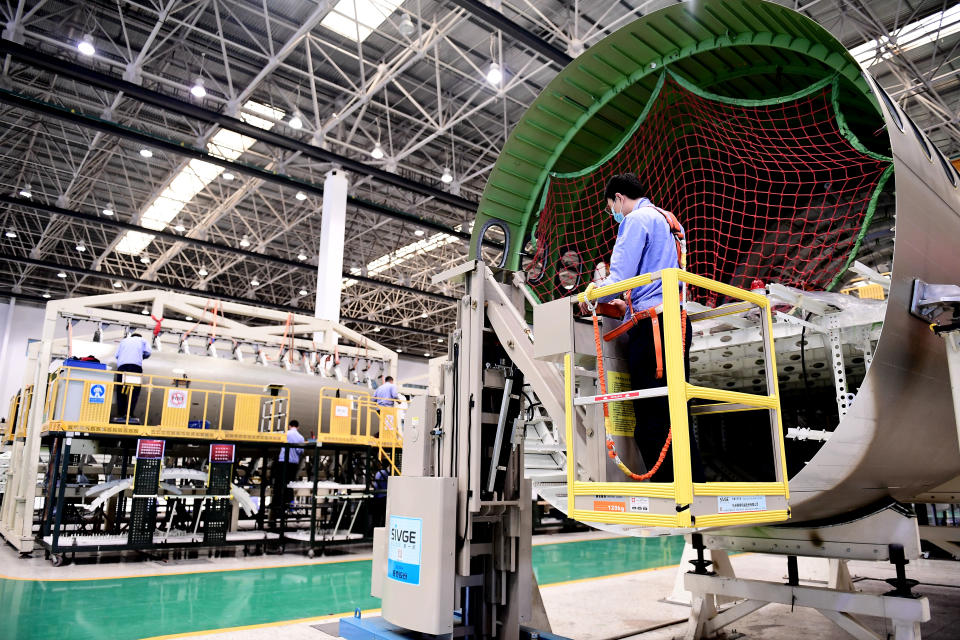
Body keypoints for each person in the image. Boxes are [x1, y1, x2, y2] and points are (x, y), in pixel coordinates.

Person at [581, 173, 704, 483]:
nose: (614, 213)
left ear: (619, 199)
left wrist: (590, 294)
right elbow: (652, 277)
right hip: (675, 320)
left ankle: (667, 489)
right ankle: (692, 483)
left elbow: (620, 276)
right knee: (674, 409)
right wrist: (628, 304)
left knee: (650, 412)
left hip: (653, 329)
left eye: (612, 206)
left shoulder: (635, 221)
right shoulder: (670, 220)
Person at [270, 420, 305, 528]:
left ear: (289, 426)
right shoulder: (301, 437)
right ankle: (287, 505)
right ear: (298, 427)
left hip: (283, 462)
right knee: (289, 485)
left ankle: (276, 508)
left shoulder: (285, 434)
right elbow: (301, 451)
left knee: (279, 485)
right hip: (293, 464)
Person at [113, 332, 151, 423]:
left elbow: (116, 355)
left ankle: (121, 413)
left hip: (122, 367)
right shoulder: (143, 340)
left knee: (121, 390)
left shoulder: (123, 341)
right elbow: (148, 352)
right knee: (134, 391)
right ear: (140, 337)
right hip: (135, 367)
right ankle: (129, 413)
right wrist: (142, 356)